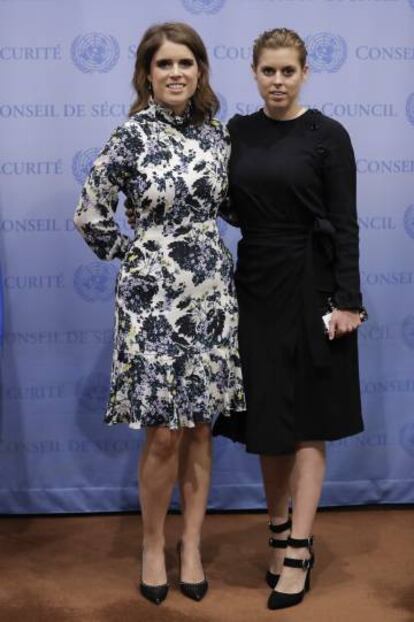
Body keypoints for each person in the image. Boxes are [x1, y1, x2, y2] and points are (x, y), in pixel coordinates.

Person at [74, 22, 245, 606]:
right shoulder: (130, 136)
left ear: (200, 72)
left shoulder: (218, 137)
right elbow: (90, 214)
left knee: (200, 427)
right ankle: (152, 545)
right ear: (147, 73)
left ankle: (191, 545)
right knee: (164, 433)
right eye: (165, 63)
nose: (177, 73)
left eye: (186, 63)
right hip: (151, 301)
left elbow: (236, 206)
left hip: (212, 296)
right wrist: (136, 256)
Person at [213, 27, 366, 610]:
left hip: (315, 282)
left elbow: (346, 222)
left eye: (288, 71)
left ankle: (300, 548)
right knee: (266, 418)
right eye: (268, 71)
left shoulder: (329, 135)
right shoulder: (236, 133)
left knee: (308, 418)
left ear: (304, 73)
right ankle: (276, 533)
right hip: (253, 281)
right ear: (253, 72)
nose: (278, 81)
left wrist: (347, 299)